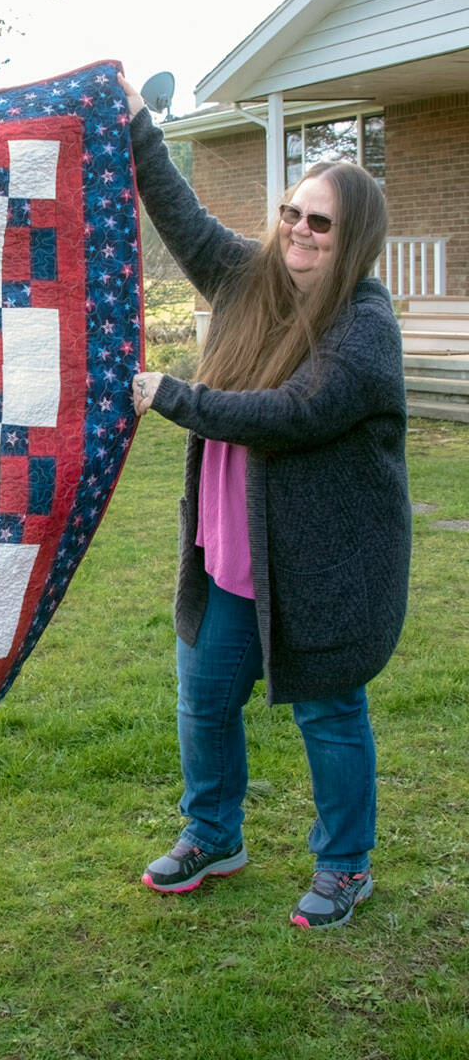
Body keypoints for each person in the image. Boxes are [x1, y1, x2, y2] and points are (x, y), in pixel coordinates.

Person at [120, 74, 410, 929]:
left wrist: (174, 394)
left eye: (321, 222)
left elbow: (294, 414)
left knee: (330, 712)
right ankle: (214, 833)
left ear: (351, 239)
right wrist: (140, 126)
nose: (300, 230)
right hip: (226, 555)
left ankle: (346, 865)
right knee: (203, 702)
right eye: (294, 212)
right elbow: (180, 220)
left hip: (320, 570)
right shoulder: (254, 281)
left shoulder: (365, 327)